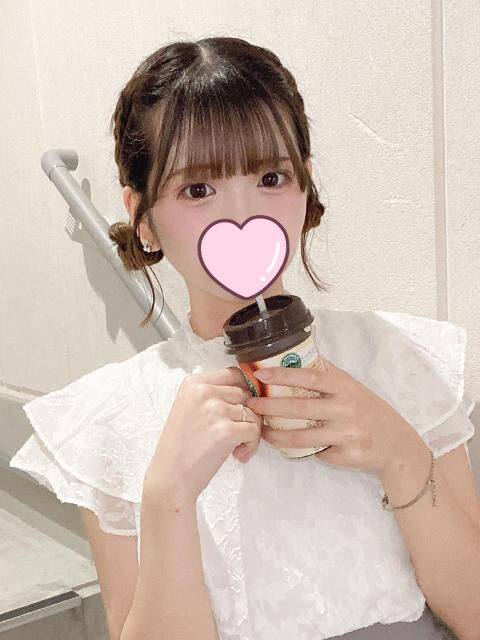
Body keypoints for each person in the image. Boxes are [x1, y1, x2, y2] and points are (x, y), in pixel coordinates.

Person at [10, 37, 477, 640]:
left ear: (306, 186)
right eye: (197, 189)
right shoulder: (113, 421)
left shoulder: (400, 359)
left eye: (270, 177)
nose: (241, 216)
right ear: (142, 216)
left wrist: (401, 453)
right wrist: (168, 494)